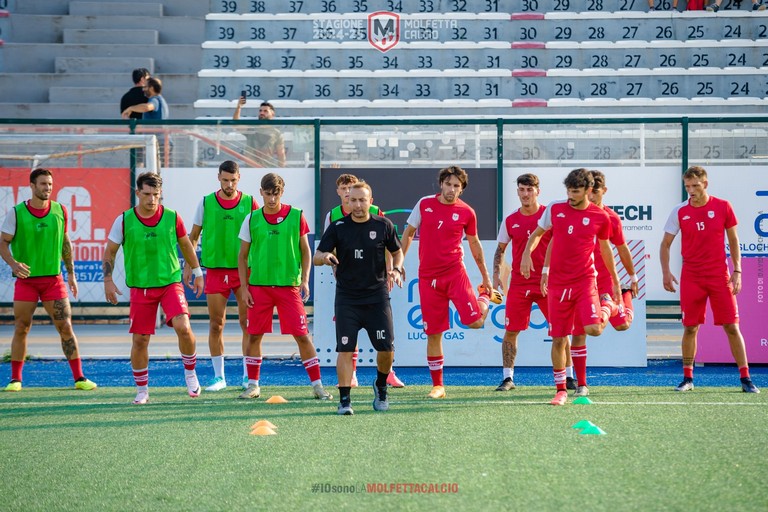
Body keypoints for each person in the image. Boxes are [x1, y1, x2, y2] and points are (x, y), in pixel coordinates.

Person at [520, 168, 620, 406]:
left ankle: (609, 306)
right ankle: (561, 389)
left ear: (588, 190)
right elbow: (539, 234)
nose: (570, 196)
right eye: (568, 190)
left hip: (585, 280)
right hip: (558, 283)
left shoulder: (600, 216)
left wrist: (615, 280)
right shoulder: (555, 209)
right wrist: (527, 254)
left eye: (575, 191)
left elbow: (605, 249)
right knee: (558, 338)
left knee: (593, 329)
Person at [400, 165, 501, 399]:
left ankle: (483, 298)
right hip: (428, 278)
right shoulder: (424, 204)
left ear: (461, 189)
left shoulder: (467, 212)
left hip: (455, 274)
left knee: (475, 322)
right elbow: (408, 234)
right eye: (448, 184)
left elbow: (475, 245)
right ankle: (438, 386)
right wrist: (399, 263)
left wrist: (486, 279)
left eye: (457, 186)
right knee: (433, 333)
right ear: (441, 184)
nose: (452, 189)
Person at [102, 172, 203, 404]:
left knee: (183, 326)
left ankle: (190, 373)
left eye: (156, 195)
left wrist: (197, 272)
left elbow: (186, 246)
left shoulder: (172, 217)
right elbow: (110, 252)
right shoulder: (124, 220)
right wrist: (107, 281)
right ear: (138, 193)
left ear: (161, 194)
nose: (151, 199)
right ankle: (142, 389)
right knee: (140, 340)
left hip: (170, 283)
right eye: (146, 194)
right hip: (141, 288)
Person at [660, 166, 759, 393]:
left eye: (695, 185)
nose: (691, 190)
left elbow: (734, 241)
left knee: (732, 327)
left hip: (719, 275)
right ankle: (687, 378)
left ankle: (745, 378)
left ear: (705, 184)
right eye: (687, 186)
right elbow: (665, 244)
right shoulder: (679, 211)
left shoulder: (723, 206)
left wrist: (738, 271)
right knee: (690, 327)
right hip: (691, 277)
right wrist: (665, 271)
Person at [0, 169, 97, 392]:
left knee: (65, 326)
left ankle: (80, 377)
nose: (48, 188)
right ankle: (15, 380)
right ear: (32, 186)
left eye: (50, 184)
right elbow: (2, 243)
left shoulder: (60, 210)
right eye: (43, 184)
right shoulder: (16, 213)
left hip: (54, 280)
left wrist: (71, 273)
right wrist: (14, 264)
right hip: (26, 281)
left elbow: (65, 242)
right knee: (22, 327)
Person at [237, 173, 332, 400]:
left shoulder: (296, 216)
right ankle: (253, 385)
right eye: (268, 194)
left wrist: (305, 279)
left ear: (282, 192)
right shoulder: (251, 219)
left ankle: (318, 385)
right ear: (261, 192)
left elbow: (305, 250)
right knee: (254, 335)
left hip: (288, 287)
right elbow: (242, 256)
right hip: (259, 287)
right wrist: (244, 287)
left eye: (276, 194)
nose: (272, 199)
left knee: (302, 336)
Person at [314, 182, 404, 415]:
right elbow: (317, 256)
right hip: (347, 298)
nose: (357, 205)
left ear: (370, 201)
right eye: (352, 200)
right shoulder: (338, 227)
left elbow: (397, 251)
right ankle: (345, 400)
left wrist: (396, 269)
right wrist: (326, 258)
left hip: (377, 297)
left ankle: (381, 386)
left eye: (362, 200)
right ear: (346, 201)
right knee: (345, 349)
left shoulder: (384, 225)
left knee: (386, 350)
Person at [492, 173, 576, 391]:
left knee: (561, 331)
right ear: (517, 191)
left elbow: (565, 243)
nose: (525, 194)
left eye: (530, 190)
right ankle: (508, 378)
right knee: (511, 330)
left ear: (538, 191)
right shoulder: (510, 220)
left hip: (549, 283)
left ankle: (568, 376)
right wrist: (495, 274)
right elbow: (500, 250)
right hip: (520, 284)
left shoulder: (549, 215)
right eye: (522, 190)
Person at [183, 160, 260, 392]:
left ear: (239, 178)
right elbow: (193, 237)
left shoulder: (250, 203)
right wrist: (190, 265)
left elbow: (260, 235)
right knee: (216, 324)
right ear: (218, 177)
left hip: (244, 272)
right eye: (225, 180)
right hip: (216, 271)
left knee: (248, 324)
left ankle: (248, 376)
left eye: (233, 180)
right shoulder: (206, 202)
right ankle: (219, 377)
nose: (229, 184)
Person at [567, 170, 639, 397]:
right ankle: (582, 384)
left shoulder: (610, 217)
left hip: (606, 282)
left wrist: (632, 276)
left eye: (596, 191)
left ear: (603, 191)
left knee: (622, 325)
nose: (592, 195)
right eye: (589, 190)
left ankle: (621, 299)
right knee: (579, 333)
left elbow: (622, 248)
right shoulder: (572, 213)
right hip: (580, 282)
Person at [233, 98, 286, 168]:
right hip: (250, 169)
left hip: (267, 169)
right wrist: (239, 107)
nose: (262, 113)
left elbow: (281, 155)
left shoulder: (276, 133)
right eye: (260, 111)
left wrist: (282, 172)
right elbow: (236, 125)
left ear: (272, 114)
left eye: (265, 111)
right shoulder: (251, 128)